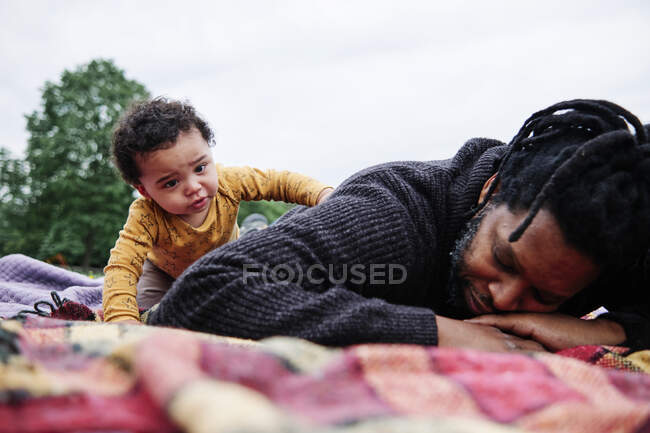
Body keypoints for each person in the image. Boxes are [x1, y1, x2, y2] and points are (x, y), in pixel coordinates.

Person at [146, 99, 650, 352]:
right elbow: (205, 294)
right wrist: (440, 331)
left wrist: (610, 327)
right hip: (311, 253)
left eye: (545, 293)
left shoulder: (610, 236)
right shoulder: (392, 213)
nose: (504, 298)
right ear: (491, 189)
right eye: (502, 259)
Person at [102, 98, 333, 323]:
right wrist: (121, 319)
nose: (193, 187)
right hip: (164, 271)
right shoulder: (146, 215)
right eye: (171, 183)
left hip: (225, 259)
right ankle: (250, 230)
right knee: (153, 314)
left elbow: (278, 182)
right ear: (144, 190)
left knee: (247, 290)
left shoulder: (229, 182)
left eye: (200, 168)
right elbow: (122, 265)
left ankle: (252, 231)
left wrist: (322, 194)